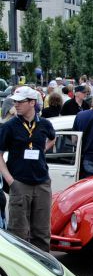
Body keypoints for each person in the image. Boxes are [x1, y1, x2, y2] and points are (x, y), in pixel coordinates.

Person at [0, 86, 56, 252]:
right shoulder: (9, 126)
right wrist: (11, 180)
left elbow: (53, 139)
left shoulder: (45, 124)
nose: (16, 105)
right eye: (14, 101)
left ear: (32, 103)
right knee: (18, 234)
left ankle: (43, 271)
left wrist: (41, 152)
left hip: (42, 183)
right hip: (20, 183)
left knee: (42, 233)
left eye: (20, 102)